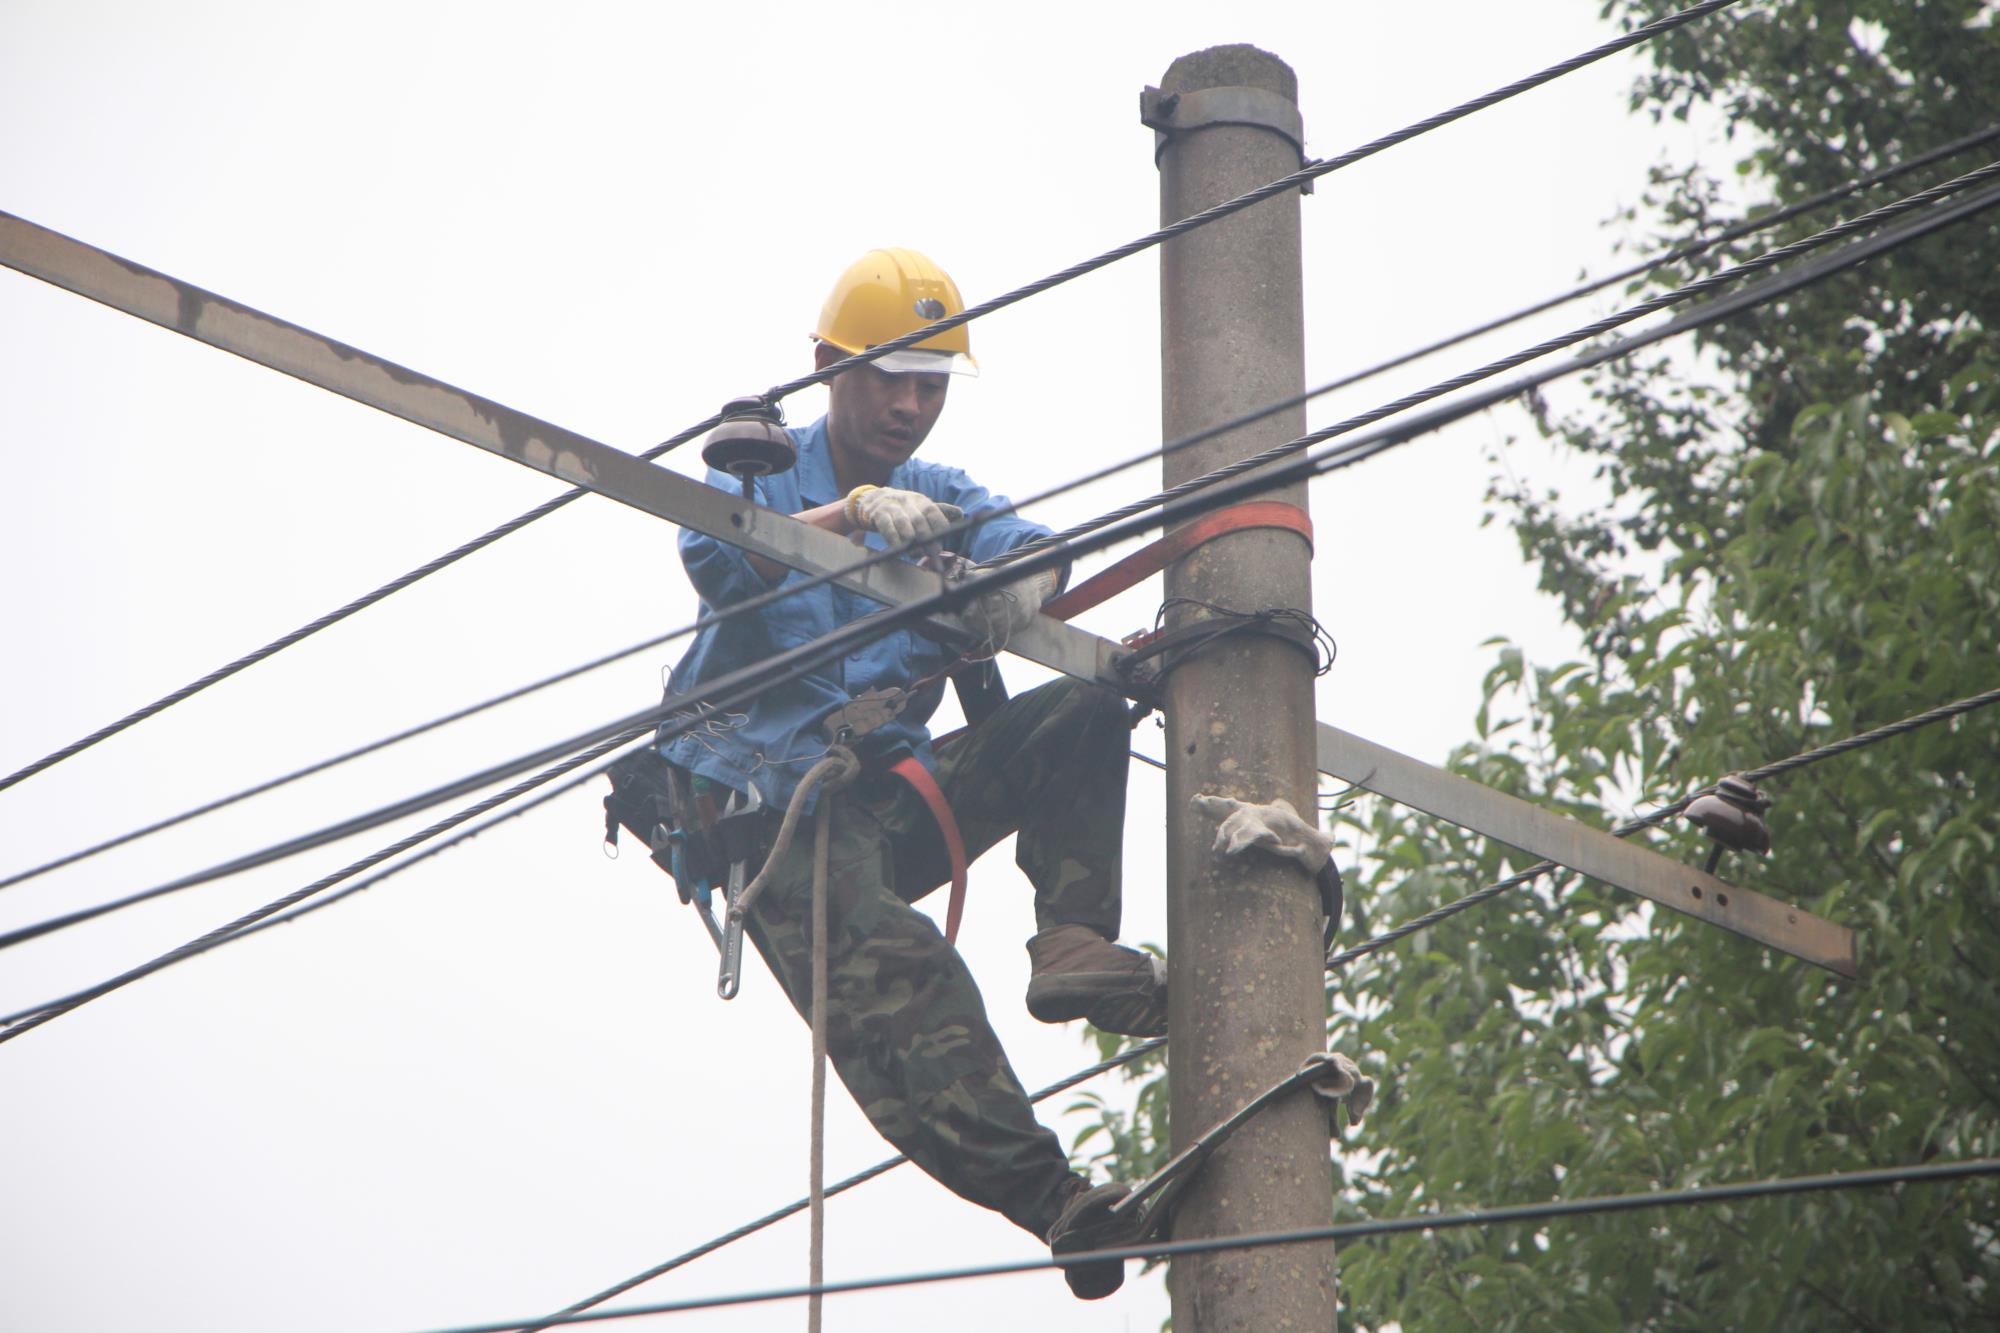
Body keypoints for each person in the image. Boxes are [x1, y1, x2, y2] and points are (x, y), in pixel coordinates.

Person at [633, 248, 1160, 1300]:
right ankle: (1056, 1200)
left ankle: (1070, 939)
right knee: (902, 980)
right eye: (892, 380)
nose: (911, 406)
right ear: (831, 369)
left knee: (1087, 706)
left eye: (931, 385)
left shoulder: (936, 494)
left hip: (884, 799)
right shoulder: (761, 464)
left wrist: (1017, 585)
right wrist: (853, 515)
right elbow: (722, 555)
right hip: (769, 819)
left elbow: (1034, 541)